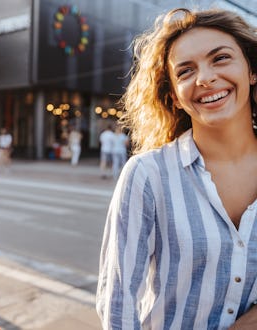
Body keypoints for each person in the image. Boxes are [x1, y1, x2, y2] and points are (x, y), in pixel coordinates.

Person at [96, 7, 257, 329]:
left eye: (221, 58)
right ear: (174, 97)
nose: (205, 78)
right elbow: (119, 304)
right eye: (185, 71)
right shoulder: (147, 174)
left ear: (252, 70)